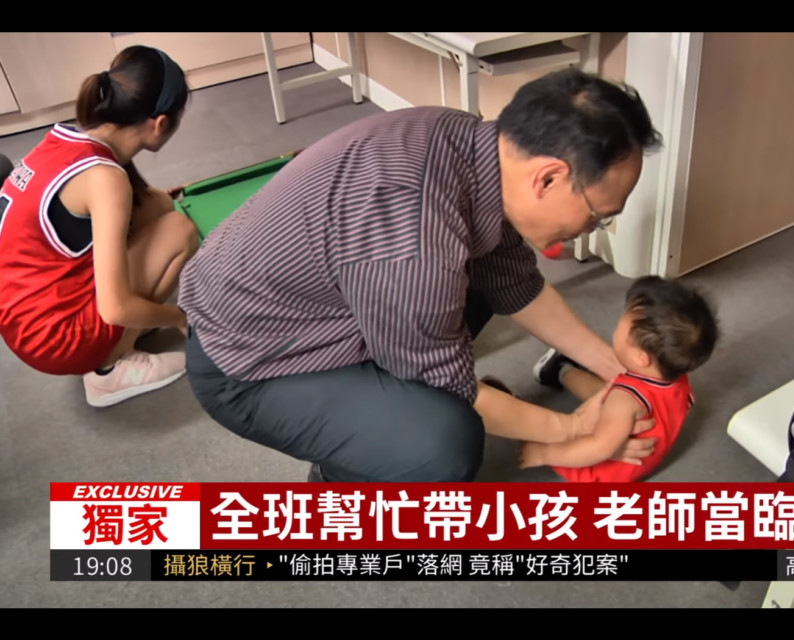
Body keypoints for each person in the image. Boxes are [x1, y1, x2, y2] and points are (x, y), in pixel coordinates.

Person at [179, 68, 663, 483]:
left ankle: (383, 400)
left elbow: (515, 284)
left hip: (324, 304)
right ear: (549, 178)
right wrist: (574, 430)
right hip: (247, 364)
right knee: (443, 442)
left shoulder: (473, 146)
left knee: (476, 288)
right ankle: (339, 477)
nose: (593, 228)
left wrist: (616, 370)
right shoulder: (414, 239)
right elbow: (449, 383)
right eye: (599, 216)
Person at [0, 46, 199, 408]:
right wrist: (182, 317)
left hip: (24, 314)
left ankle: (122, 334)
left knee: (157, 205)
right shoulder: (105, 178)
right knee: (178, 230)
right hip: (53, 341)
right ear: (160, 124)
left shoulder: (67, 139)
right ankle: (108, 368)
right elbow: (115, 309)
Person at [518, 276, 719, 481]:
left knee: (529, 428)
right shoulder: (677, 377)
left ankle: (544, 379)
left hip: (599, 473)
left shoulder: (624, 399)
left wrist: (544, 454)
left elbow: (598, 448)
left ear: (641, 358)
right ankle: (560, 370)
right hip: (646, 458)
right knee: (606, 394)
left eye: (619, 327)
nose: (616, 323)